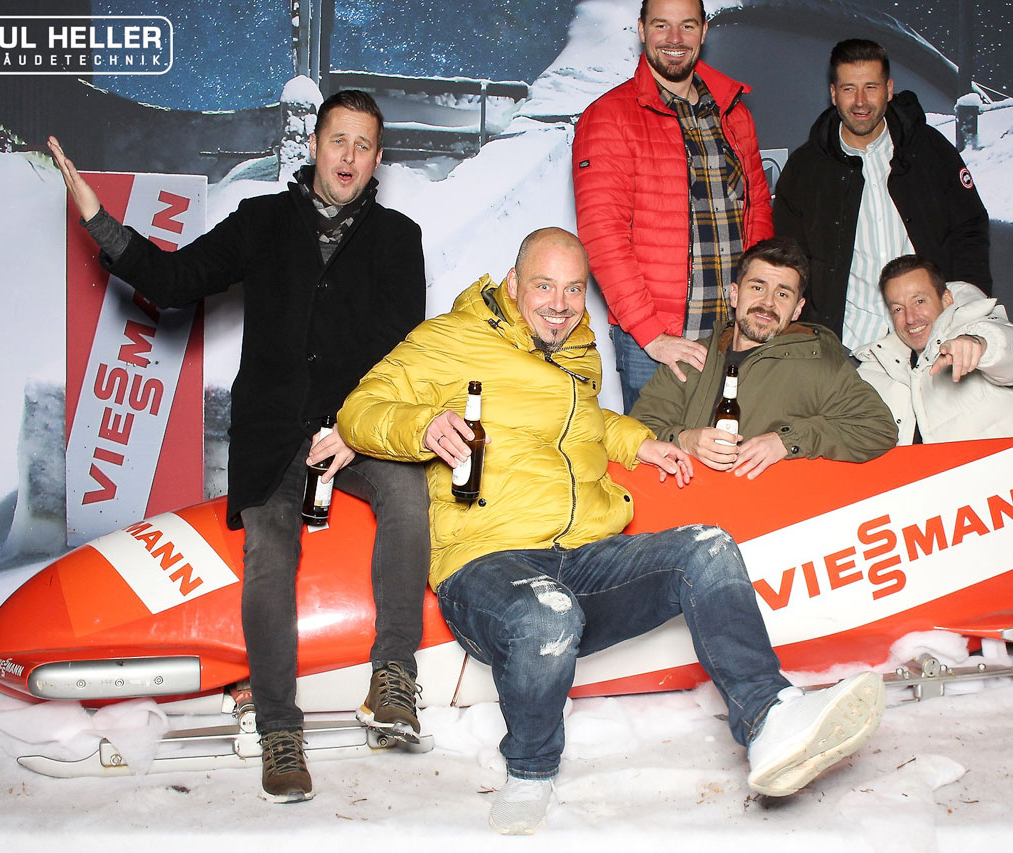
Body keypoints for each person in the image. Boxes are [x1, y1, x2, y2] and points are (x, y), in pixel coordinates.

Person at [336, 227, 885, 835]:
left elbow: (582, 421)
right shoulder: (450, 339)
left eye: (574, 289)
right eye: (544, 286)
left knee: (706, 549)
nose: (560, 304)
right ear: (513, 284)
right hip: (486, 564)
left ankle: (770, 718)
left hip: (582, 554)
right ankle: (531, 768)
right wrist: (421, 425)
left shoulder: (576, 350)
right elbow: (359, 410)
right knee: (545, 613)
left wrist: (641, 441)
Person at [47, 89, 431, 804]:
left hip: (359, 429)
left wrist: (353, 429)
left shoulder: (398, 237)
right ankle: (279, 728)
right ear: (314, 146)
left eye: (363, 145)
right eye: (338, 140)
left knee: (409, 493)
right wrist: (98, 219)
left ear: (378, 158)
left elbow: (403, 350)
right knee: (269, 553)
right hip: (274, 432)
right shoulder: (261, 220)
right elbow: (173, 281)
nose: (348, 156)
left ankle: (394, 677)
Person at [573, 0, 774, 412]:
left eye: (687, 26)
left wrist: (759, 305)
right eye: (661, 25)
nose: (675, 39)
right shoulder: (609, 116)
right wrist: (651, 334)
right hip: (659, 343)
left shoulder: (734, 113)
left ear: (704, 31)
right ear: (642, 30)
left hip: (733, 333)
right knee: (657, 449)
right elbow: (603, 237)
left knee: (733, 444)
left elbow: (758, 217)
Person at [773, 38, 991, 352]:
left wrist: (968, 316)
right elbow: (791, 262)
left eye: (871, 87)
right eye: (849, 89)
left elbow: (969, 232)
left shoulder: (929, 150)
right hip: (849, 346)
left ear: (889, 89)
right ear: (833, 94)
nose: (860, 102)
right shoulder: (805, 169)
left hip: (933, 339)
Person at [631, 237, 897, 475]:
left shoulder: (819, 365)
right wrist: (684, 439)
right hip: (683, 505)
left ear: (797, 309)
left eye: (782, 294)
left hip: (767, 508)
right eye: (757, 288)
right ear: (735, 294)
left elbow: (877, 428)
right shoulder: (691, 358)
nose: (768, 303)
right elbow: (634, 432)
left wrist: (786, 441)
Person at [854, 255, 1013, 443]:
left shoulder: (974, 325)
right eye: (898, 309)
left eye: (919, 301)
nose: (910, 318)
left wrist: (980, 345)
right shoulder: (877, 367)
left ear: (946, 299)